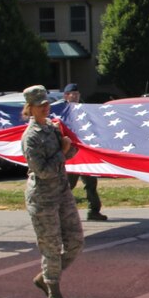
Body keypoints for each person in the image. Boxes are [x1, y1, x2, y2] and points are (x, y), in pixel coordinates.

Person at [22, 85, 84, 298]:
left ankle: (45, 277)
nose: (45, 108)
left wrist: (69, 142)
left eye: (47, 104)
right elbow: (43, 170)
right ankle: (54, 294)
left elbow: (70, 153)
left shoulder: (51, 128)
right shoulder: (30, 137)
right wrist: (62, 150)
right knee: (51, 247)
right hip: (42, 197)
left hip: (61, 191)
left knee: (76, 241)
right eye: (40, 106)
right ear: (30, 108)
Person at [63, 83, 107, 222]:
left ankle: (94, 210)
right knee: (69, 184)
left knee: (91, 183)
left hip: (85, 152)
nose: (75, 96)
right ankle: (61, 211)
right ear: (66, 96)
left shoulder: (84, 109)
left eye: (77, 94)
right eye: (72, 94)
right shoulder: (62, 110)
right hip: (70, 153)